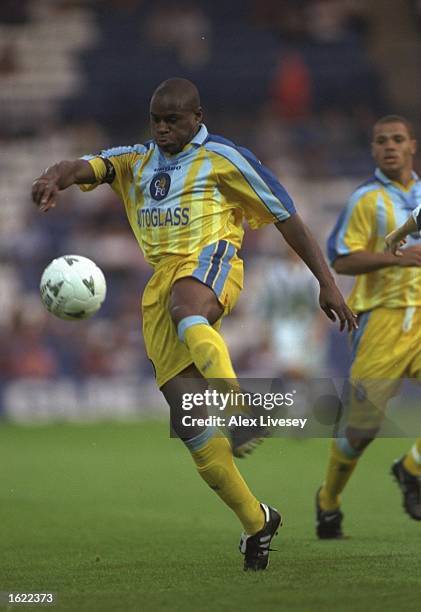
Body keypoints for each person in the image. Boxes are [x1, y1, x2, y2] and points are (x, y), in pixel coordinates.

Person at [32, 78, 356, 570]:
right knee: (190, 425)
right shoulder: (134, 160)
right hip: (160, 283)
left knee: (189, 306)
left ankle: (242, 408)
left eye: (173, 120)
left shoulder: (226, 158)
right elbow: (82, 166)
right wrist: (55, 178)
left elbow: (286, 215)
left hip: (211, 257)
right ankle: (257, 521)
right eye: (156, 120)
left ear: (197, 117)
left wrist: (326, 283)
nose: (162, 129)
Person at [316, 115, 421, 539]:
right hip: (382, 319)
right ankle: (328, 500)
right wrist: (398, 257)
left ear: (412, 145)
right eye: (382, 141)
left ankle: (411, 467)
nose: (390, 146)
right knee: (361, 431)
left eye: (398, 139)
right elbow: (341, 258)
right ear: (374, 150)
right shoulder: (365, 199)